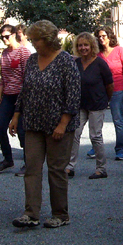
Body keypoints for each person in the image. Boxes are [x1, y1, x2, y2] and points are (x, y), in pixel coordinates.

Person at [9, 20, 80, 228]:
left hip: (58, 125)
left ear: (48, 39)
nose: (33, 44)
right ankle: (31, 214)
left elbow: (74, 96)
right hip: (33, 123)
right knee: (32, 168)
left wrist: (63, 123)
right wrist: (16, 115)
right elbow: (25, 90)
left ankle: (60, 214)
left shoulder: (66, 61)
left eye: (35, 40)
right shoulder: (32, 60)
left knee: (56, 169)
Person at [68, 32, 113, 179]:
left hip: (96, 104)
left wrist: (106, 100)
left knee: (95, 136)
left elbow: (109, 85)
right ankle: (70, 166)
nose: (83, 48)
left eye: (86, 45)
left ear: (92, 46)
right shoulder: (76, 63)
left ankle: (101, 168)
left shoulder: (100, 63)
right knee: (74, 134)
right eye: (80, 45)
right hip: (80, 105)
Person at [0, 24, 30, 175]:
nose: (4, 39)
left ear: (15, 34)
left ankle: (28, 163)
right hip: (8, 95)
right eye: (2, 36)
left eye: (7, 36)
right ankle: (7, 159)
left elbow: (27, 77)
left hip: (21, 96)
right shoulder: (4, 54)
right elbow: (3, 77)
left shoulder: (23, 52)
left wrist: (23, 99)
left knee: (22, 131)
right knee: (0, 127)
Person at [96, 26, 123, 160]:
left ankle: (121, 149)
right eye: (99, 37)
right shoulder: (98, 54)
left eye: (104, 36)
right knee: (97, 120)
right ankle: (96, 147)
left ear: (110, 37)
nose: (101, 39)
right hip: (102, 91)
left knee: (117, 120)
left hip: (118, 89)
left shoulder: (119, 51)